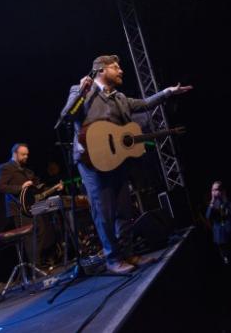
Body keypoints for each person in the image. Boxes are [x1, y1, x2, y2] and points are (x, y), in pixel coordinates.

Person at [63, 54, 192, 274]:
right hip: (92, 161)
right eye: (116, 67)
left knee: (124, 209)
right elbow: (67, 116)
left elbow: (143, 104)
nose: (121, 71)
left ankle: (128, 253)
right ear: (101, 71)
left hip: (116, 159)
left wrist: (167, 93)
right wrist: (82, 92)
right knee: (104, 212)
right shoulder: (81, 90)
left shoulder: (120, 97)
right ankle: (112, 259)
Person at [0, 143, 63, 269]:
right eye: (23, 154)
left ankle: (37, 263)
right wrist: (21, 187)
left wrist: (54, 188)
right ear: (15, 153)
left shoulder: (27, 171)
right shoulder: (5, 168)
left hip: (32, 206)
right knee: (30, 237)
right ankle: (35, 268)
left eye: (27, 154)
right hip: (19, 208)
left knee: (41, 231)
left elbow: (36, 190)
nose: (26, 156)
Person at [206, 181, 231, 264]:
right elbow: (208, 216)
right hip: (220, 236)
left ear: (222, 191)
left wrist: (225, 199)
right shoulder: (212, 203)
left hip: (230, 233)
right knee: (226, 259)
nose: (214, 192)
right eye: (212, 190)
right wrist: (212, 201)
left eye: (216, 190)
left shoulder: (227, 200)